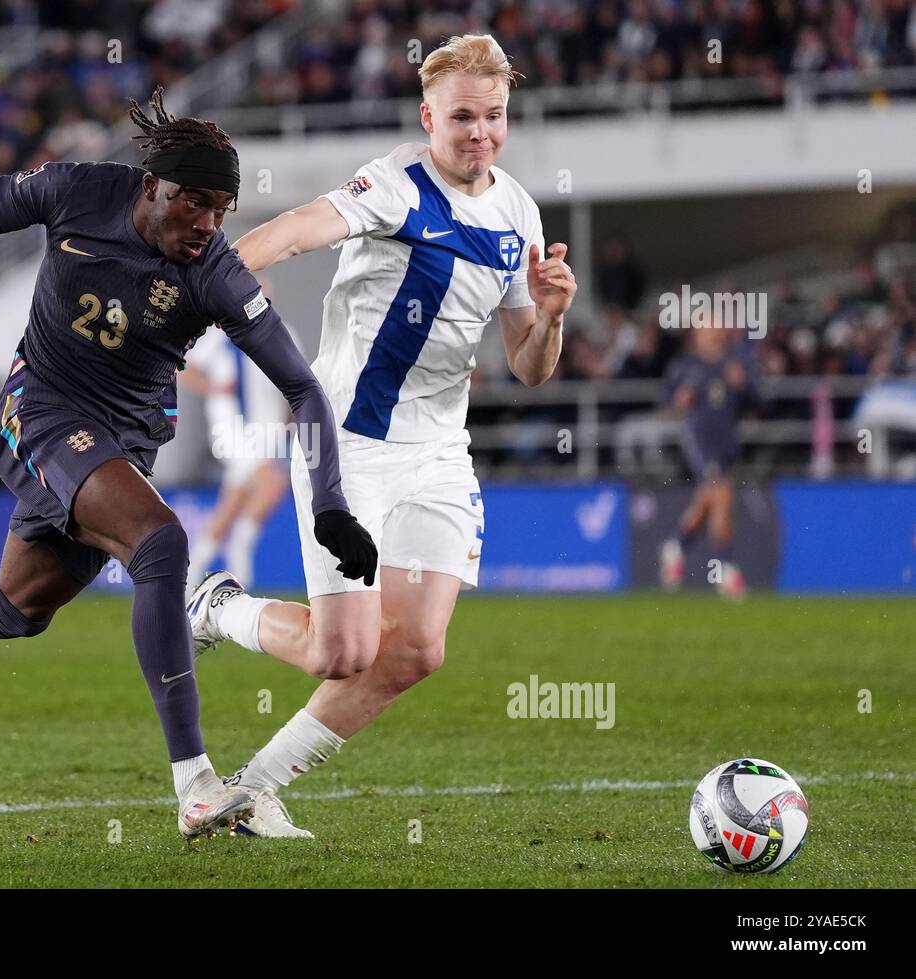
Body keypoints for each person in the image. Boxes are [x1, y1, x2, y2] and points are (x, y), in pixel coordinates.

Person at [0, 88, 378, 841]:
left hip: (124, 438)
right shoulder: (74, 190)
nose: (207, 224)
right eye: (192, 203)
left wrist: (331, 500)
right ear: (152, 186)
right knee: (162, 542)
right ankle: (198, 786)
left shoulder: (217, 272)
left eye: (222, 209)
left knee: (17, 608)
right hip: (37, 407)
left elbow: (303, 387)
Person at [187, 34, 577, 837]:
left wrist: (553, 314)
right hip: (349, 441)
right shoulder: (397, 182)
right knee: (344, 651)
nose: (480, 133)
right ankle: (219, 608)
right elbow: (299, 227)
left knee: (415, 652)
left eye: (495, 116)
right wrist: (207, 284)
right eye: (462, 116)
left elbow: (531, 367)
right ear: (429, 116)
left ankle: (251, 789)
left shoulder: (517, 212)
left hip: (438, 451)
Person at [180, 305, 292, 593]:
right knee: (273, 482)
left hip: (267, 431)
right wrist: (212, 389)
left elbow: (292, 382)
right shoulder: (218, 339)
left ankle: (192, 572)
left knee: (232, 503)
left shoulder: (278, 335)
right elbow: (181, 365)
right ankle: (242, 544)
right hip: (231, 431)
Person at [659, 310, 760, 599]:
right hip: (698, 439)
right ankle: (726, 569)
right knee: (722, 492)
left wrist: (744, 386)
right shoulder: (686, 366)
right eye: (709, 327)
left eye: (718, 327)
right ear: (698, 333)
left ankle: (676, 546)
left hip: (727, 442)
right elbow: (666, 398)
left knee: (711, 497)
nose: (715, 333)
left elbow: (762, 401)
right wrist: (679, 400)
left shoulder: (738, 364)